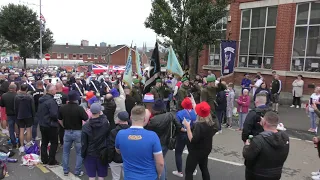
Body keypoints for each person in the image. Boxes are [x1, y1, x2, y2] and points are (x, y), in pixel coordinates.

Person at [115, 105, 164, 180]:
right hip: (149, 177)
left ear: (131, 118)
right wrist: (160, 174)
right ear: (144, 119)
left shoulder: (120, 134)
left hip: (129, 177)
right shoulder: (153, 136)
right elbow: (160, 163)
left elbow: (118, 150)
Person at [243, 112, 289, 180]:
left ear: (264, 122)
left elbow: (248, 155)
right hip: (275, 173)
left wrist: (246, 146)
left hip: (257, 174)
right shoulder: (285, 137)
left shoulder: (259, 140)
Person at [145, 99, 182, 180]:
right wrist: (174, 135)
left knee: (158, 162)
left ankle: (162, 177)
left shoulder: (153, 120)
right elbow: (179, 126)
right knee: (162, 160)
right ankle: (164, 177)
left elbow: (147, 132)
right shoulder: (170, 115)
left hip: (158, 143)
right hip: (168, 141)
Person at [182, 102, 219, 180]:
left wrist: (188, 127)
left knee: (189, 171)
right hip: (206, 150)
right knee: (204, 169)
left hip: (195, 152)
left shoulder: (199, 125)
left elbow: (192, 140)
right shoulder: (212, 123)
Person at [58, 90, 88, 177]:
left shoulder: (62, 108)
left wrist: (64, 126)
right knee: (79, 152)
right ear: (76, 99)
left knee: (66, 152)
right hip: (78, 132)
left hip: (67, 131)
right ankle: (77, 171)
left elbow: (59, 119)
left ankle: (65, 170)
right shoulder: (79, 108)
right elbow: (86, 119)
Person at [82, 103, 110, 180]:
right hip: (102, 152)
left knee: (91, 176)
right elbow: (108, 137)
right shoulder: (105, 123)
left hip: (90, 153)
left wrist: (83, 154)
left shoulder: (85, 126)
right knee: (101, 176)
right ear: (100, 112)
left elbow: (84, 142)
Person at [172, 97, 197, 178]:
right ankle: (193, 169)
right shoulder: (194, 113)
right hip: (190, 135)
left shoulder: (179, 113)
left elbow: (176, 125)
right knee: (192, 153)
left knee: (178, 153)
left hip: (181, 135)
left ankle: (179, 171)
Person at [36, 84, 59, 165]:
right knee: (54, 143)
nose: (56, 91)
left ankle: (44, 158)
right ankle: (51, 160)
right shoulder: (51, 101)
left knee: (44, 142)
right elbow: (54, 114)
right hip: (50, 124)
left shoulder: (41, 100)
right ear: (51, 91)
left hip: (42, 124)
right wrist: (57, 119)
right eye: (55, 89)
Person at [108, 111, 130, 180]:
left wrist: (109, 159)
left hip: (115, 159)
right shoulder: (132, 131)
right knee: (127, 177)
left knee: (115, 177)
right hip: (128, 159)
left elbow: (111, 147)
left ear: (118, 119)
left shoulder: (113, 132)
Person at [14, 84, 35, 153]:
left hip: (20, 115)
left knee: (21, 131)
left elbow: (15, 107)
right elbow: (33, 107)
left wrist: (17, 115)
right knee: (29, 130)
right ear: (26, 89)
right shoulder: (30, 97)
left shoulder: (16, 97)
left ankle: (22, 146)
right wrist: (33, 115)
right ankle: (28, 145)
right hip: (28, 115)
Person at [0, 84, 17, 148]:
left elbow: (2, 105)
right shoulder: (17, 95)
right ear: (15, 89)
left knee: (11, 129)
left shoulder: (4, 95)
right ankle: (18, 139)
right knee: (19, 127)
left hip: (9, 113)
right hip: (17, 113)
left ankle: (13, 142)